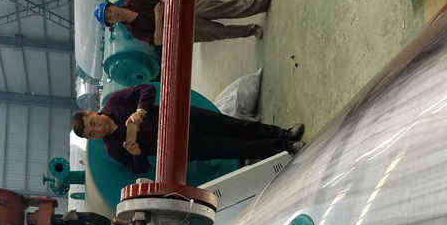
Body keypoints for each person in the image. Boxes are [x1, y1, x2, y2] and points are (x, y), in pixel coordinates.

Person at [71, 83, 304, 174]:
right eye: (92, 134)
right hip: (182, 147)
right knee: (234, 148)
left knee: (236, 126)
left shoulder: (114, 102)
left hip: (183, 117)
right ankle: (285, 147)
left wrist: (141, 110)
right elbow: (140, 169)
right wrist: (137, 153)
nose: (96, 129)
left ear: (91, 113)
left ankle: (283, 133)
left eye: (92, 123)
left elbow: (146, 89)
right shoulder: (113, 149)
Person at [93, 0, 274, 45]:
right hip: (180, 31)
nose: (112, 14)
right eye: (109, 18)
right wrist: (158, 17)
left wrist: (166, 0)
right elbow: (157, 41)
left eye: (109, 11)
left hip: (183, 7)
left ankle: (259, 4)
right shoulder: (133, 31)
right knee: (219, 32)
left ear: (112, 5)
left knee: (223, 9)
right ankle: (252, 30)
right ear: (111, 23)